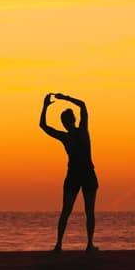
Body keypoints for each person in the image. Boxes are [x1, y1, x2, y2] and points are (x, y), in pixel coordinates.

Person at [38, 91, 98, 251]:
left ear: (65, 123)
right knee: (85, 211)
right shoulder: (79, 132)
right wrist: (65, 98)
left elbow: (43, 125)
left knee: (71, 211)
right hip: (80, 175)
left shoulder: (70, 135)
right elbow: (83, 105)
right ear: (72, 120)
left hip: (81, 175)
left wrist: (45, 107)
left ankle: (62, 244)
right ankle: (84, 244)